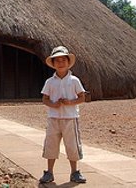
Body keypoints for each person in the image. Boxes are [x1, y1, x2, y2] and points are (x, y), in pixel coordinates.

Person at [39, 45, 87, 184]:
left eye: (63, 60)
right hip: (53, 118)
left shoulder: (74, 80)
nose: (60, 63)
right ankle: (49, 172)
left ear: (68, 62)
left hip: (70, 118)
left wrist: (70, 102)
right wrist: (53, 104)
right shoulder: (50, 82)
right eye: (57, 61)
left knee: (72, 145)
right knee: (51, 145)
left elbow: (82, 97)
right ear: (53, 64)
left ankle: (75, 172)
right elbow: (45, 99)